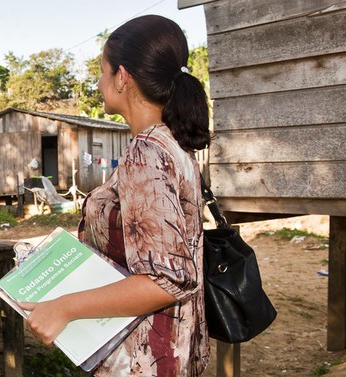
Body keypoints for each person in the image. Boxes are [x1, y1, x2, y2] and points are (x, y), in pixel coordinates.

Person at [18, 15, 211, 376]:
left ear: (123, 77)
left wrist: (64, 307)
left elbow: (166, 279)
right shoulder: (173, 145)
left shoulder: (146, 152)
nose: (98, 81)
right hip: (172, 346)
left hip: (144, 356)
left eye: (103, 71)